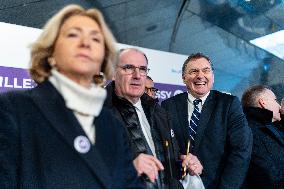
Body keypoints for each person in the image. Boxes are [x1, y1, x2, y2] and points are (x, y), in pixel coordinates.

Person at [0, 5, 143, 189]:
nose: (86, 43)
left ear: (103, 58)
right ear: (50, 54)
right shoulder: (13, 109)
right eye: (73, 35)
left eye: (96, 39)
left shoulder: (112, 125)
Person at [104, 48, 203, 189]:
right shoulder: (97, 112)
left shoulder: (159, 113)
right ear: (113, 73)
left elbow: (170, 160)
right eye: (128, 68)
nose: (137, 75)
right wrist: (128, 169)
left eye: (142, 69)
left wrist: (186, 164)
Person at [161, 52, 252, 189]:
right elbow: (165, 147)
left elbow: (241, 150)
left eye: (206, 70)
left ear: (213, 77)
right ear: (184, 78)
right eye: (193, 71)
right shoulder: (168, 105)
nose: (200, 75)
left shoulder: (229, 104)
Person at [241, 85, 284, 189]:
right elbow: (270, 178)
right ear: (263, 102)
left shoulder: (266, 127)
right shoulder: (251, 132)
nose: (279, 106)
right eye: (275, 100)